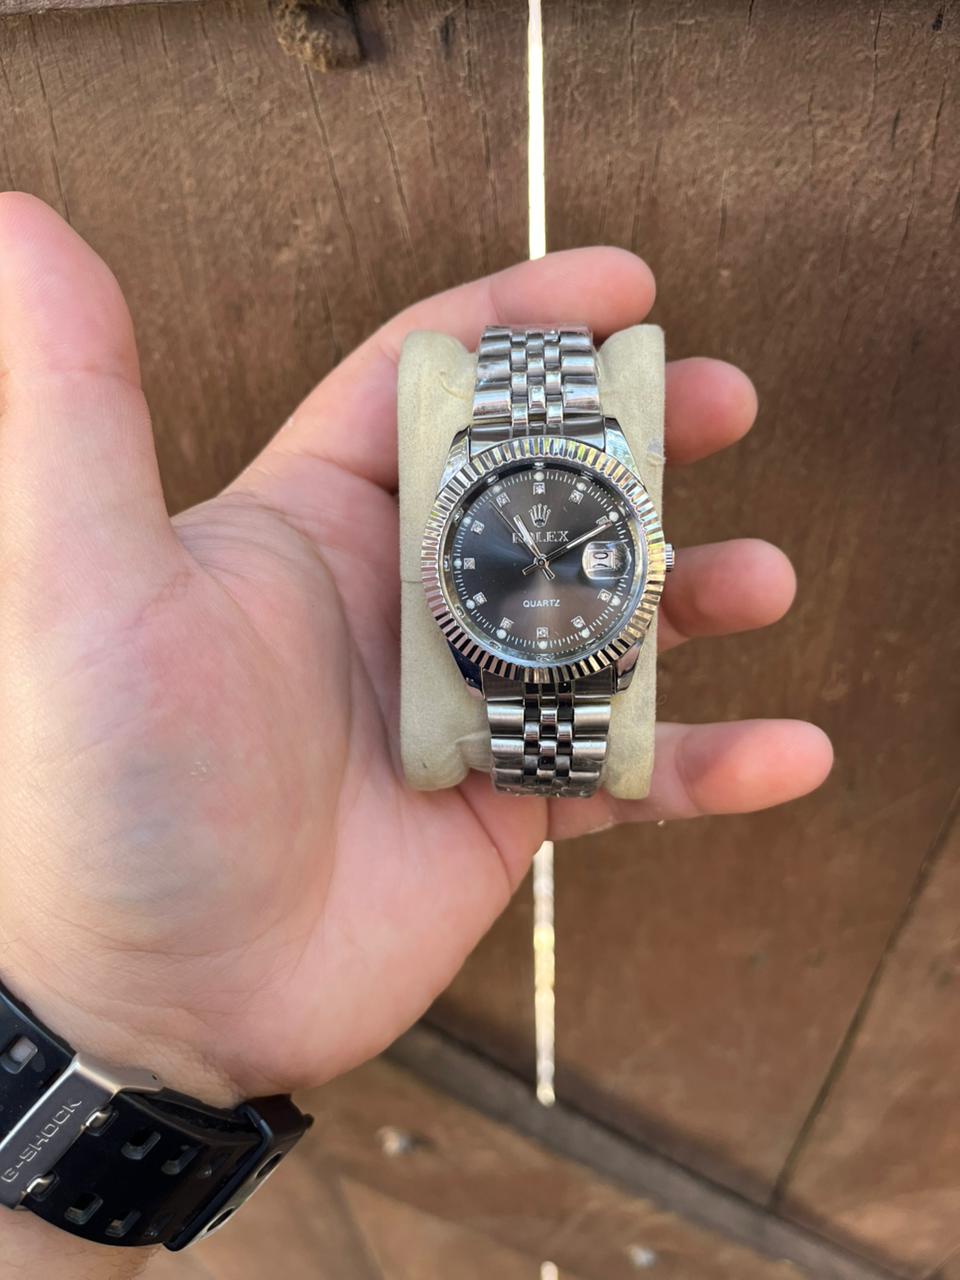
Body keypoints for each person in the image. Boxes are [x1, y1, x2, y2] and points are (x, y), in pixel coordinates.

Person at [0, 193, 832, 1277]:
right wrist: (116, 1007)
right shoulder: (466, 572)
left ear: (648, 563)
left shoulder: (546, 554)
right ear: (435, 561)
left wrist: (112, 1012)